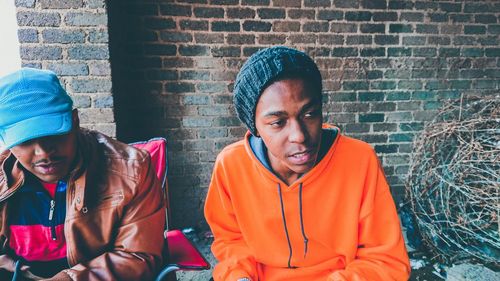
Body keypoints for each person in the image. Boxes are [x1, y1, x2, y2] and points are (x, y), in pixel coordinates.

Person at [204, 46, 410, 281]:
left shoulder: (360, 161)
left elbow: (386, 261)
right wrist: (239, 276)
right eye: (278, 122)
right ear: (255, 127)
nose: (299, 136)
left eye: (310, 114)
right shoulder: (231, 166)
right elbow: (231, 242)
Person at [0, 68, 165, 280]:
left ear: (74, 121)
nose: (43, 153)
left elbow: (138, 256)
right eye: (25, 141)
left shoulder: (131, 170)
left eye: (53, 133)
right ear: (7, 140)